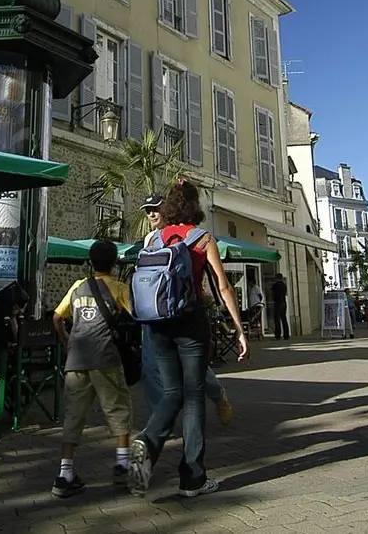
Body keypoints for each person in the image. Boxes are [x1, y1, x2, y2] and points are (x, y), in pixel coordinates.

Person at [129, 180, 249, 498]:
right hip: (190, 322)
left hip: (157, 323)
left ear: (169, 206)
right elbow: (223, 286)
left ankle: (147, 442)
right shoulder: (202, 238)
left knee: (172, 393)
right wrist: (239, 329)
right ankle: (192, 478)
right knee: (194, 397)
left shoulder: (155, 238)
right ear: (196, 206)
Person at [137, 193, 233, 427]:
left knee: (193, 369)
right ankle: (159, 421)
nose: (151, 214)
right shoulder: (150, 239)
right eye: (148, 211)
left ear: (168, 210)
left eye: (155, 209)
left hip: (184, 308)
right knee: (150, 367)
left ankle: (217, 395)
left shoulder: (189, 235)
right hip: (155, 312)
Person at [50, 240, 134, 498]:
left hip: (76, 360)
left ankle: (65, 474)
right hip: (106, 358)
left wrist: (66, 341)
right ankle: (122, 466)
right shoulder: (119, 288)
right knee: (118, 410)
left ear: (90, 262)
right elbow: (137, 314)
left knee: (73, 416)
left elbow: (57, 317)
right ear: (114, 263)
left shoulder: (77, 287)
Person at [269, 273, 290, 340]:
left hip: (278, 303)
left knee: (277, 320)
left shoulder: (276, 285)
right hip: (283, 302)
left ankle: (278, 335)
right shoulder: (284, 285)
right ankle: (286, 335)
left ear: (277, 278)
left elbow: (272, 292)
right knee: (284, 319)